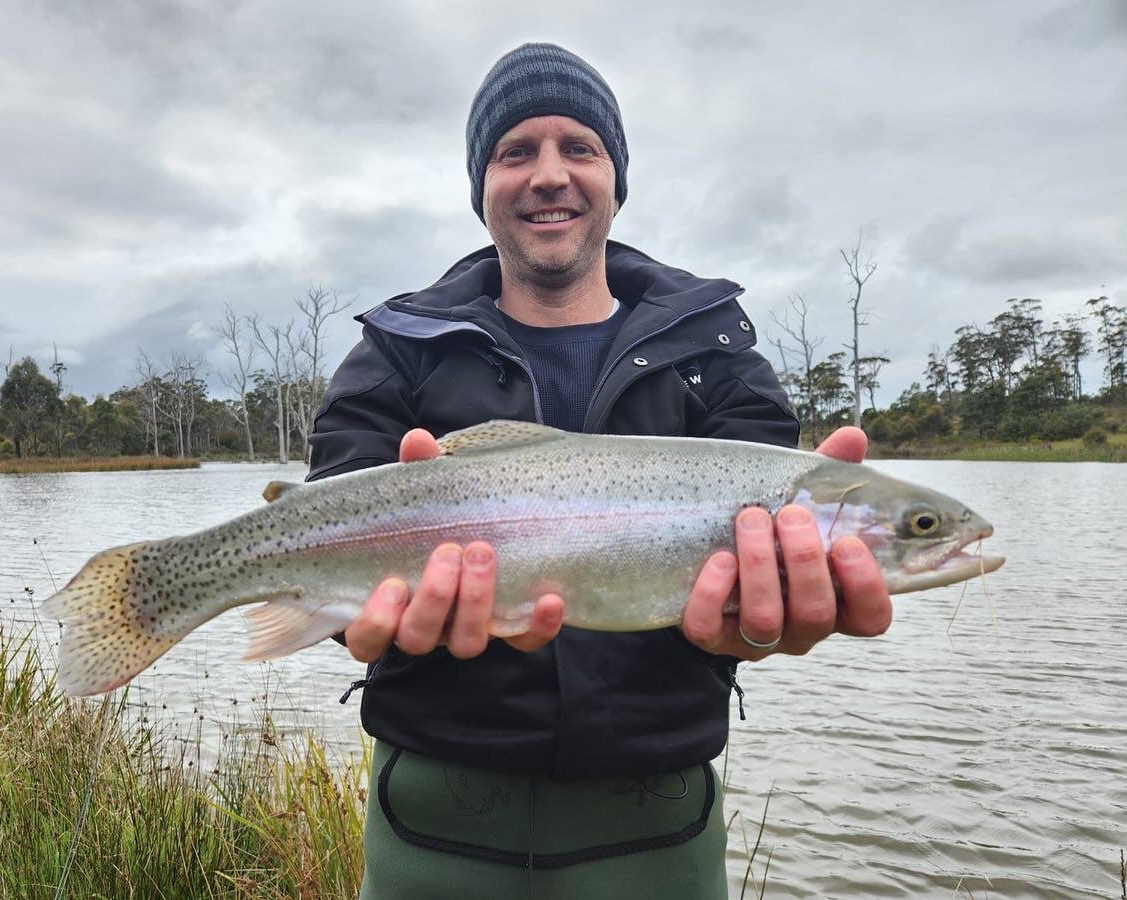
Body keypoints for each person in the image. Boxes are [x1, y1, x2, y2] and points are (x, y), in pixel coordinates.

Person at [307, 42, 892, 900]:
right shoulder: (396, 351)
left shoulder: (717, 356)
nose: (549, 174)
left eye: (579, 148)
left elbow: (767, 595)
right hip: (431, 815)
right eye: (516, 152)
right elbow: (321, 536)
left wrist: (765, 625)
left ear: (617, 179)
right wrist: (351, 618)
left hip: (659, 821)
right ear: (482, 189)